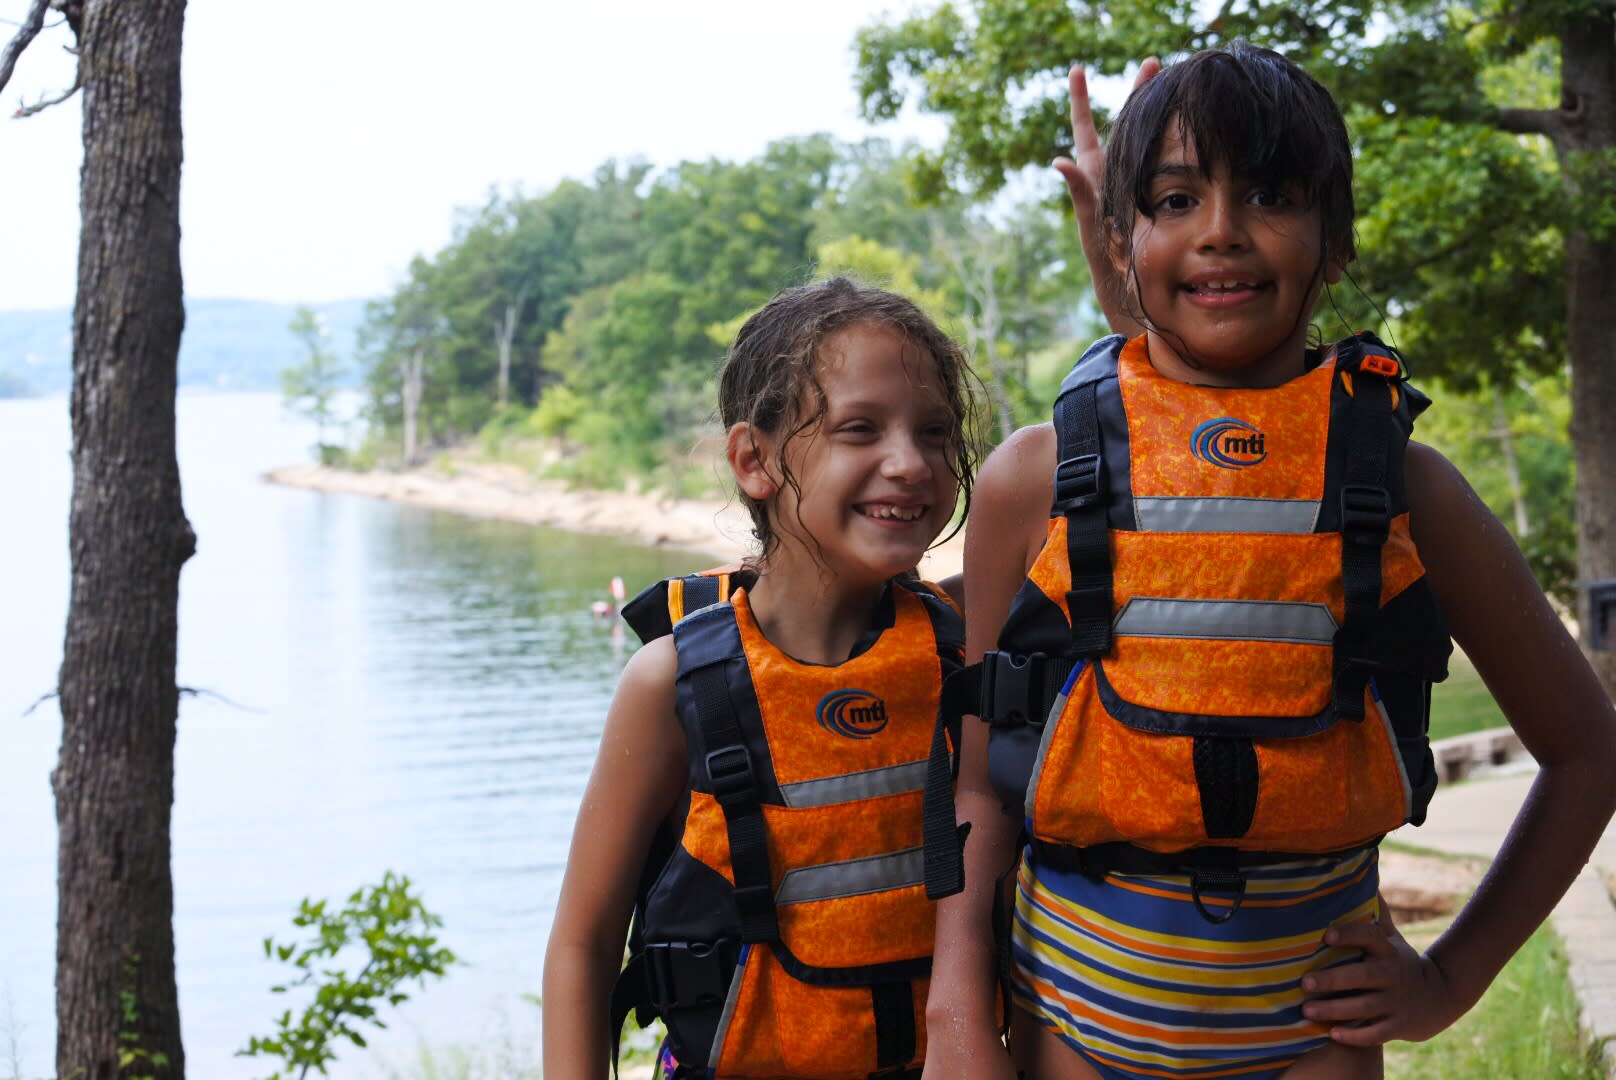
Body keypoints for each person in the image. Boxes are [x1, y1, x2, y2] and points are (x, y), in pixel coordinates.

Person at [923, 43, 1616, 1080]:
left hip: (1309, 1046)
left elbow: (1586, 752)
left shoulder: (1406, 489)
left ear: (1332, 243)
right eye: (1171, 198)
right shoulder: (1035, 477)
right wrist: (953, 1010)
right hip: (1068, 1027)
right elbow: (977, 781)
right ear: (1119, 242)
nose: (1218, 231)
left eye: (1268, 195)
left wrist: (1444, 984)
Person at [542, 277, 982, 1079]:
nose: (911, 463)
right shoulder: (671, 685)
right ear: (755, 459)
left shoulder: (970, 655)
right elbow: (585, 941)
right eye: (860, 429)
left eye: (936, 432)